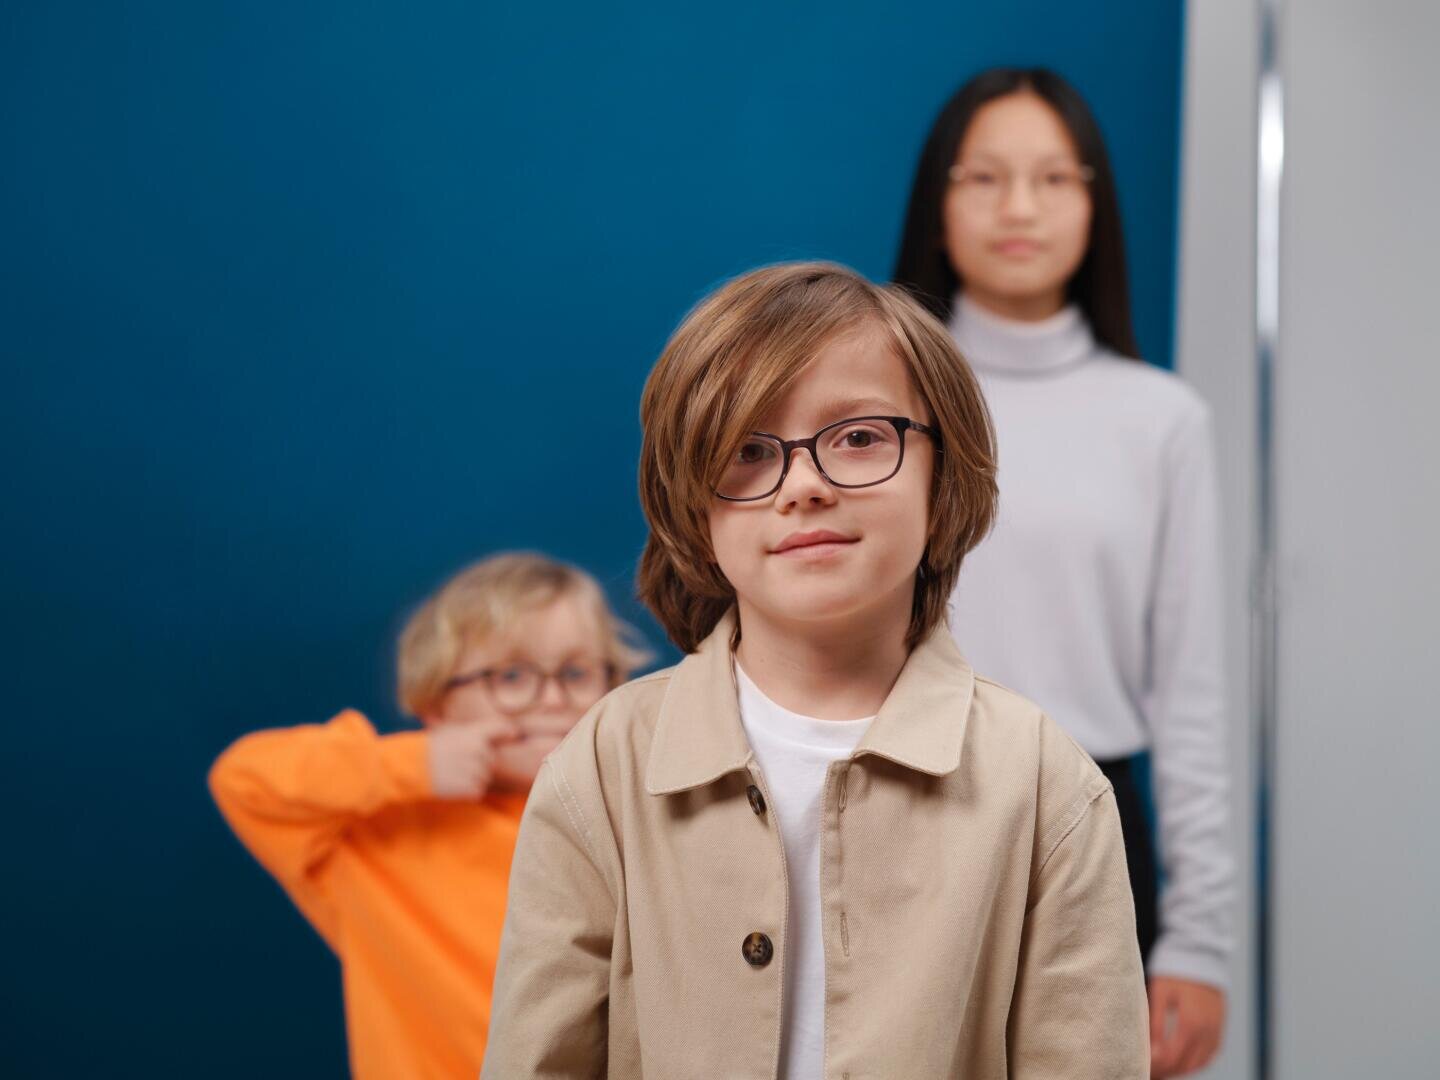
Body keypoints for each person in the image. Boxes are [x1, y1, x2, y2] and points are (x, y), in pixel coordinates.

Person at [481, 262, 1149, 1078]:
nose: (802, 486)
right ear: (694, 503)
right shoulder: (602, 767)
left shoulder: (1047, 787)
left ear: (944, 472)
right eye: (747, 452)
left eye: (860, 438)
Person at [893, 68, 1234, 1079]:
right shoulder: (877, 394)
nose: (1019, 207)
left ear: (1095, 204)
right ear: (938, 204)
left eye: (1054, 177)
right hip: (896, 810)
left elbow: (1192, 696)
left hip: (1090, 824)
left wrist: (1202, 935)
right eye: (984, 177)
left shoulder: (1161, 418)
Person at [209, 552, 649, 1079]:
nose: (553, 699)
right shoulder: (373, 842)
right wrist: (415, 762)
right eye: (511, 676)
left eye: (577, 673)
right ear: (437, 706)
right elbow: (243, 780)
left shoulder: (634, 823)